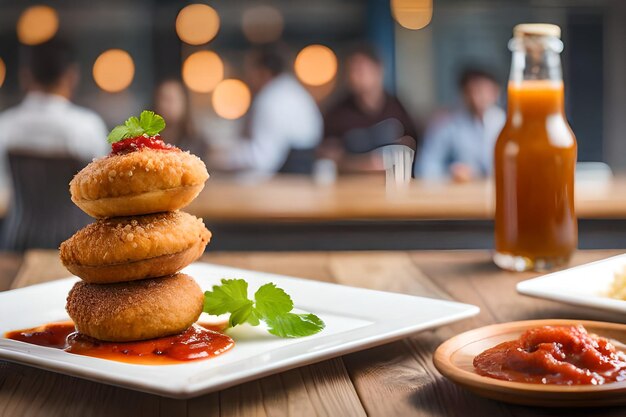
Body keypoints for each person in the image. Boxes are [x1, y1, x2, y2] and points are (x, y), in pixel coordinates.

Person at [0, 38, 108, 188]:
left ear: (25, 77)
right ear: (72, 76)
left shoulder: (4, 126)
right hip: (80, 211)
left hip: (21, 213)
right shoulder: (88, 126)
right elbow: (102, 185)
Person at [209, 46, 322, 176]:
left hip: (283, 184)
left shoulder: (270, 98)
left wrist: (221, 156)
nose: (247, 77)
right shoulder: (295, 91)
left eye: (250, 70)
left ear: (263, 72)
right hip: (301, 181)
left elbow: (263, 158)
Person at [319, 44, 418, 173]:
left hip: (391, 184)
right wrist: (362, 164)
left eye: (361, 69)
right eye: (351, 71)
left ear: (378, 69)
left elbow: (413, 145)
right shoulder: (338, 112)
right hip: (350, 186)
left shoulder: (396, 106)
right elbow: (327, 156)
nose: (355, 76)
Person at [418, 68, 505, 182]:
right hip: (458, 193)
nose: (480, 97)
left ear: (496, 92)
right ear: (464, 94)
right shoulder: (446, 123)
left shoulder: (503, 121)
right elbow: (425, 167)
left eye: (486, 91)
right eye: (475, 91)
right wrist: (450, 175)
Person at [153, 78, 208, 161]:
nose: (169, 105)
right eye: (165, 99)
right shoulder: (146, 140)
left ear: (184, 102)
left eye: (173, 99)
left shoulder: (198, 142)